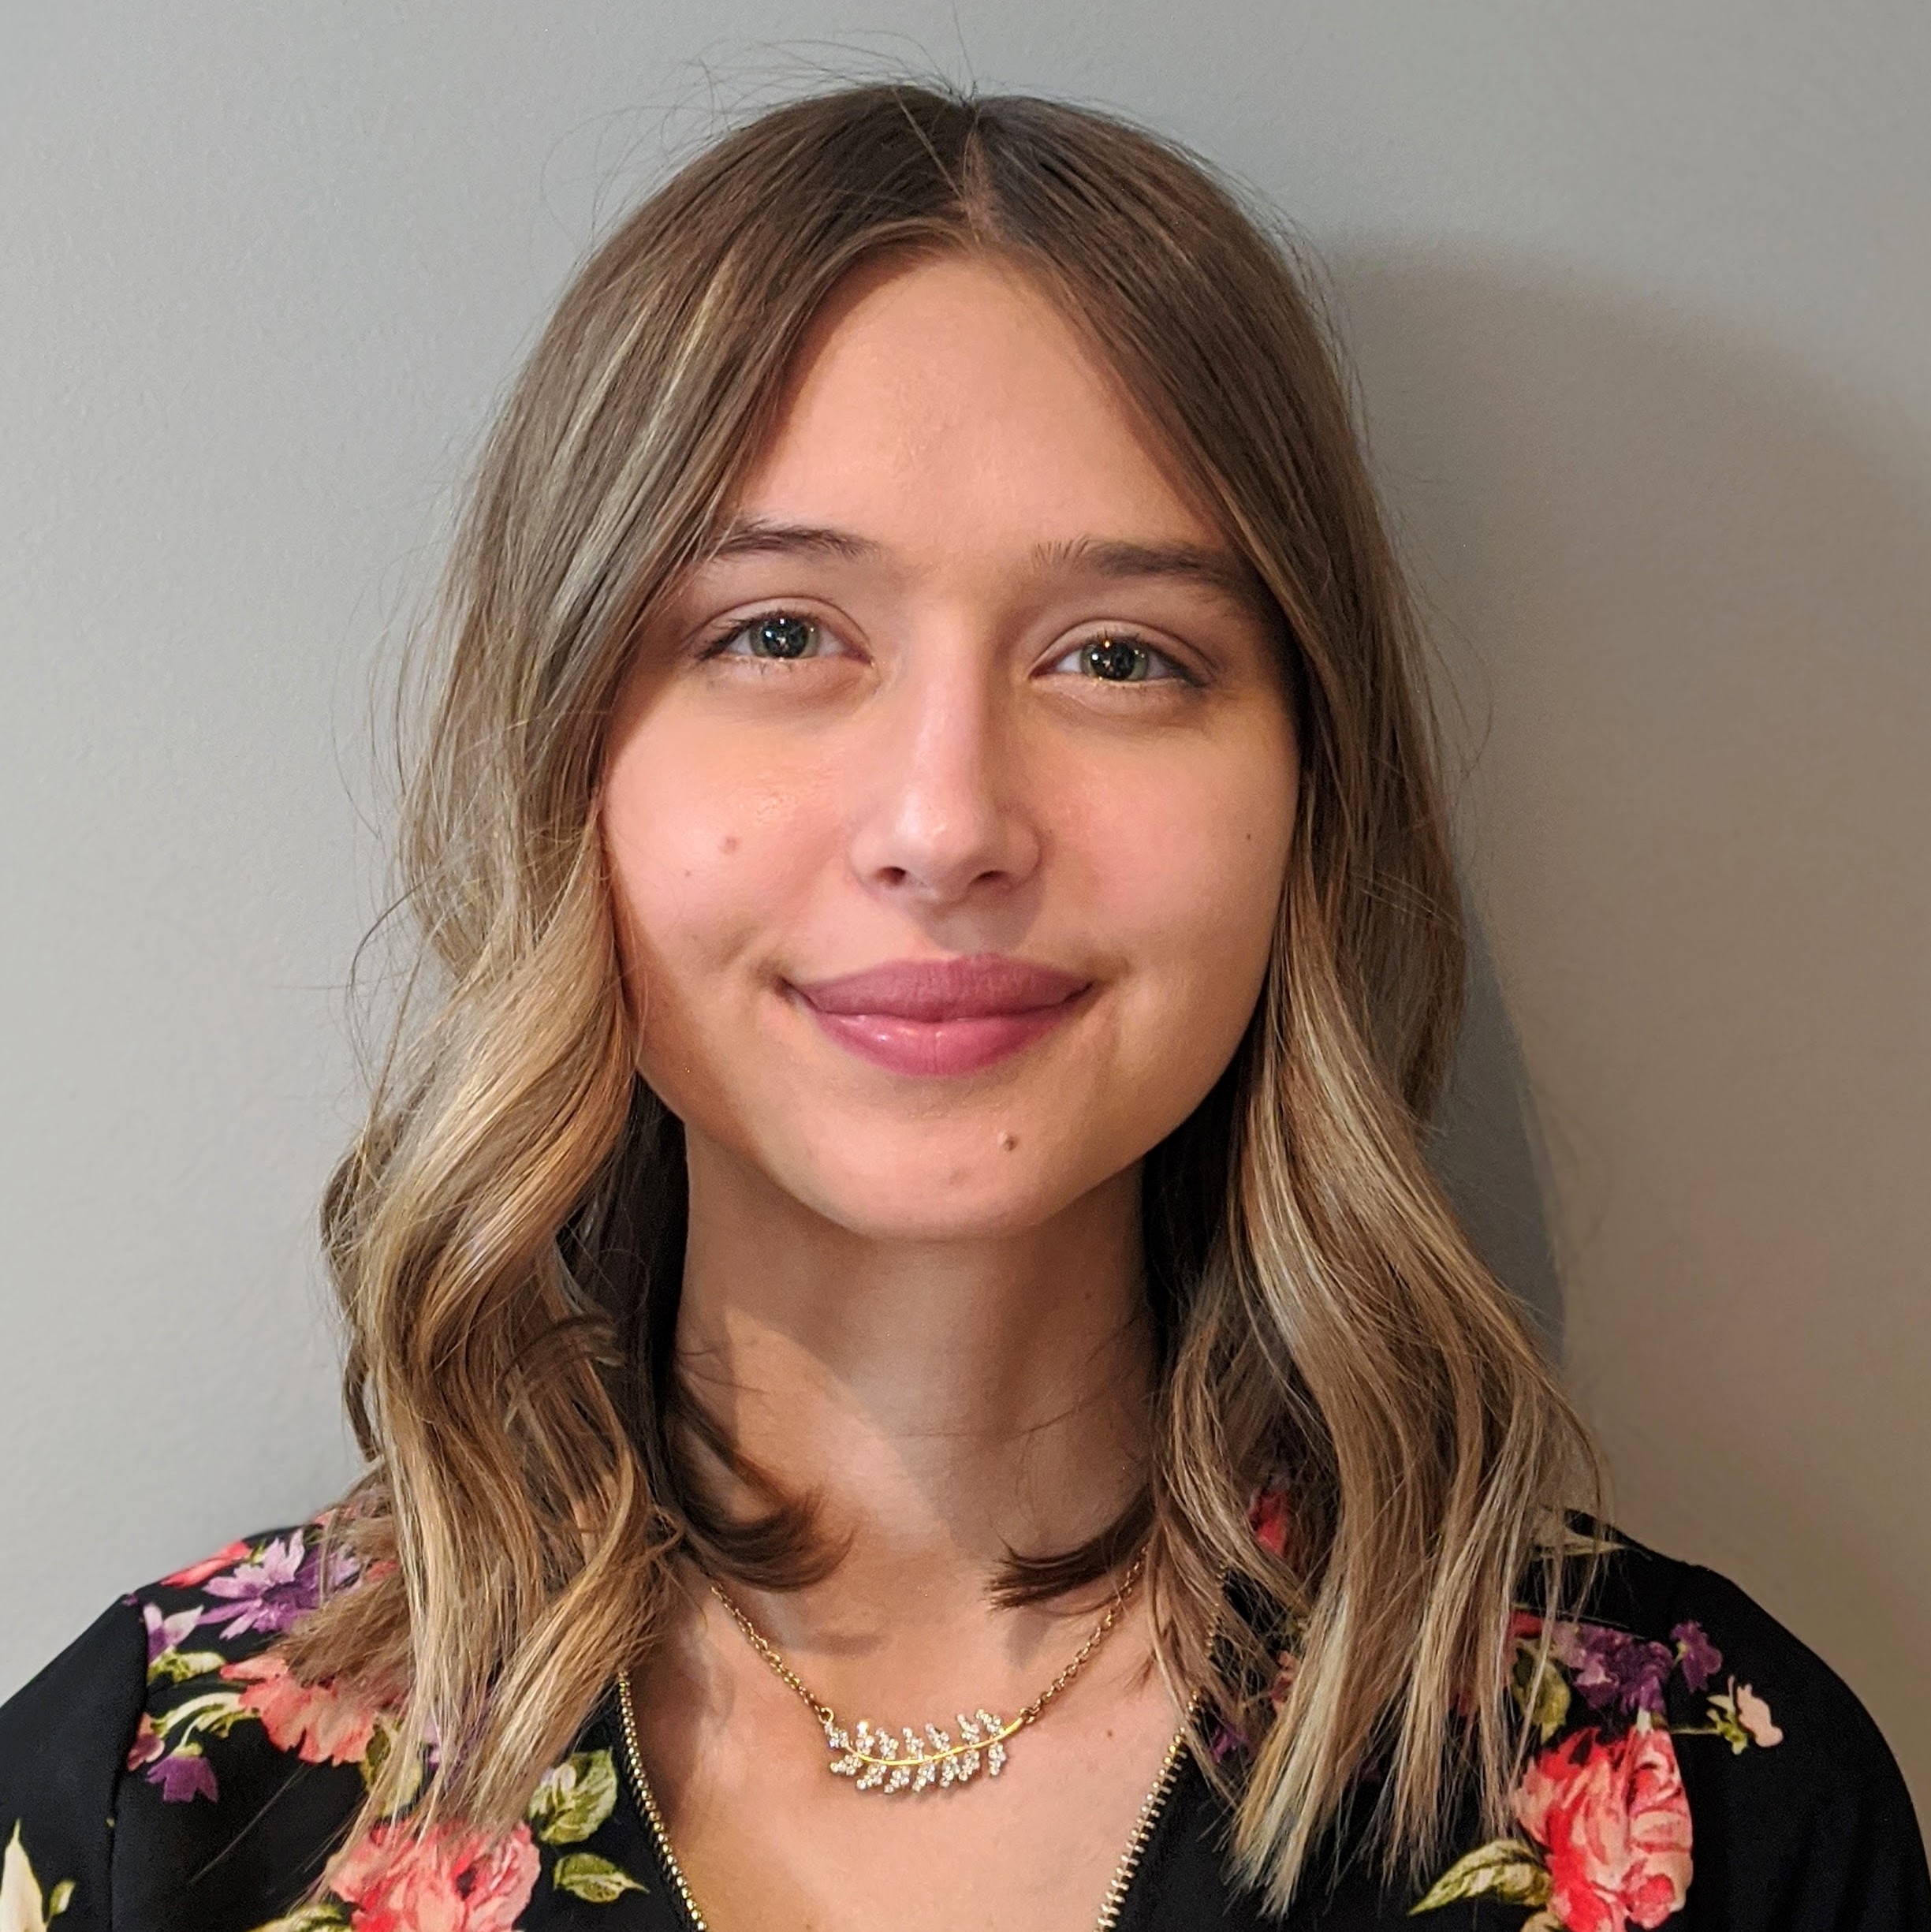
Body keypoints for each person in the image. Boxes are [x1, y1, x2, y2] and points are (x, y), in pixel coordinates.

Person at [0, 80, 1923, 1932]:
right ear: (568, 759)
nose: (947, 823)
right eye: (775, 633)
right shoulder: (159, 1803)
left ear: (1305, 801)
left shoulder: (1702, 1807)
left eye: (1118, 654)